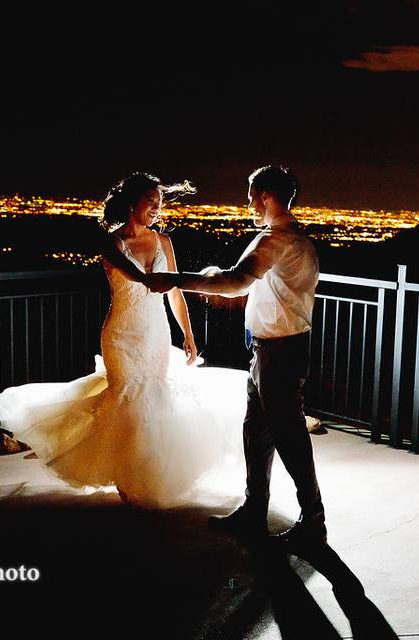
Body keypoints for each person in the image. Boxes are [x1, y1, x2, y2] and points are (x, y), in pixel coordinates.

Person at [0, 172, 249, 509]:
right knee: (126, 403)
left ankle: (147, 474)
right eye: (150, 203)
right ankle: (127, 480)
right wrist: (157, 280)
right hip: (121, 335)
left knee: (152, 403)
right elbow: (139, 278)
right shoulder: (112, 243)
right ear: (132, 204)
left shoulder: (164, 242)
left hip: (156, 332)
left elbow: (173, 292)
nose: (157, 209)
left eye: (160, 204)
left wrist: (187, 332)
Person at [144, 165, 326, 549]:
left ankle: (313, 521)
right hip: (277, 350)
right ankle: (254, 510)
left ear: (265, 197)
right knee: (257, 434)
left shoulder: (274, 241)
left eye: (250, 196)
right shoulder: (301, 242)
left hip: (277, 354)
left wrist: (178, 280)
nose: (247, 204)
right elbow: (259, 287)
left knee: (289, 438)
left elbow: (235, 281)